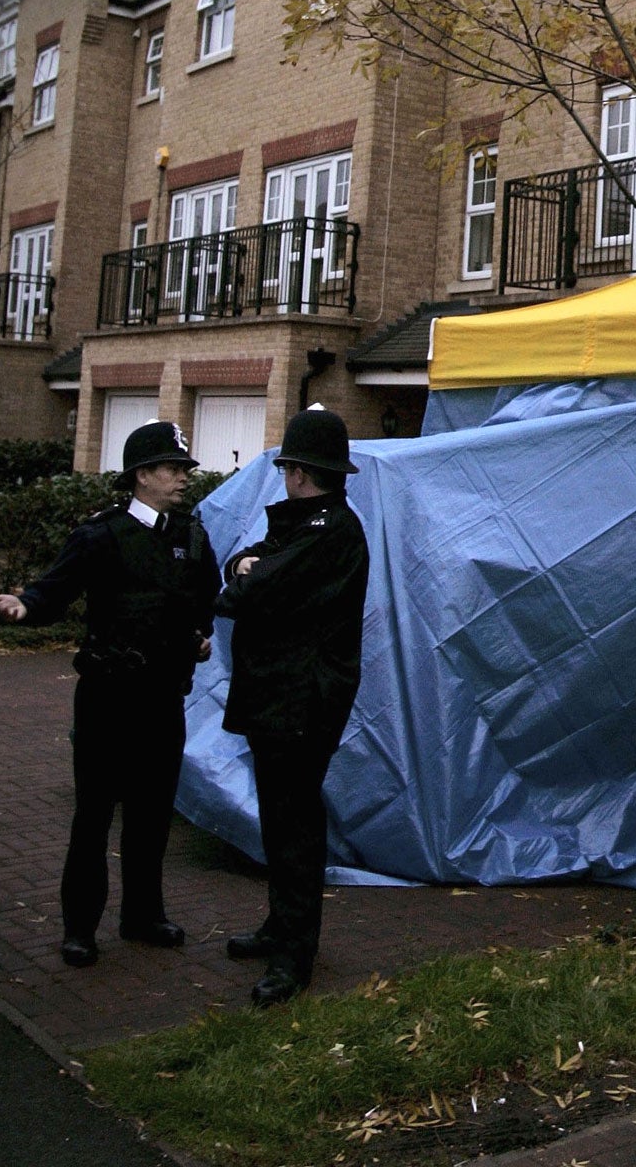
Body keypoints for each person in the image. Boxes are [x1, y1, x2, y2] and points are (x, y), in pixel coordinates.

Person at [0, 419, 218, 967]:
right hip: (109, 697)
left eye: (185, 469)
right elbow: (56, 585)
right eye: (172, 468)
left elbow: (204, 595)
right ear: (141, 476)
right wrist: (27, 604)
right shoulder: (102, 533)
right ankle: (80, 928)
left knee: (151, 812)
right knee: (93, 816)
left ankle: (142, 915)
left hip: (163, 697)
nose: (183, 477)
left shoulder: (190, 535)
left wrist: (201, 635)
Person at [216, 405, 369, 1007]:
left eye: (286, 467)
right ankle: (281, 927)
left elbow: (251, 591)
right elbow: (247, 562)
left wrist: (248, 572)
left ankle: (294, 954)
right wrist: (245, 564)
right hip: (282, 698)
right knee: (281, 821)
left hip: (301, 703)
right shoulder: (307, 525)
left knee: (296, 826)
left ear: (298, 471)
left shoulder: (328, 531)